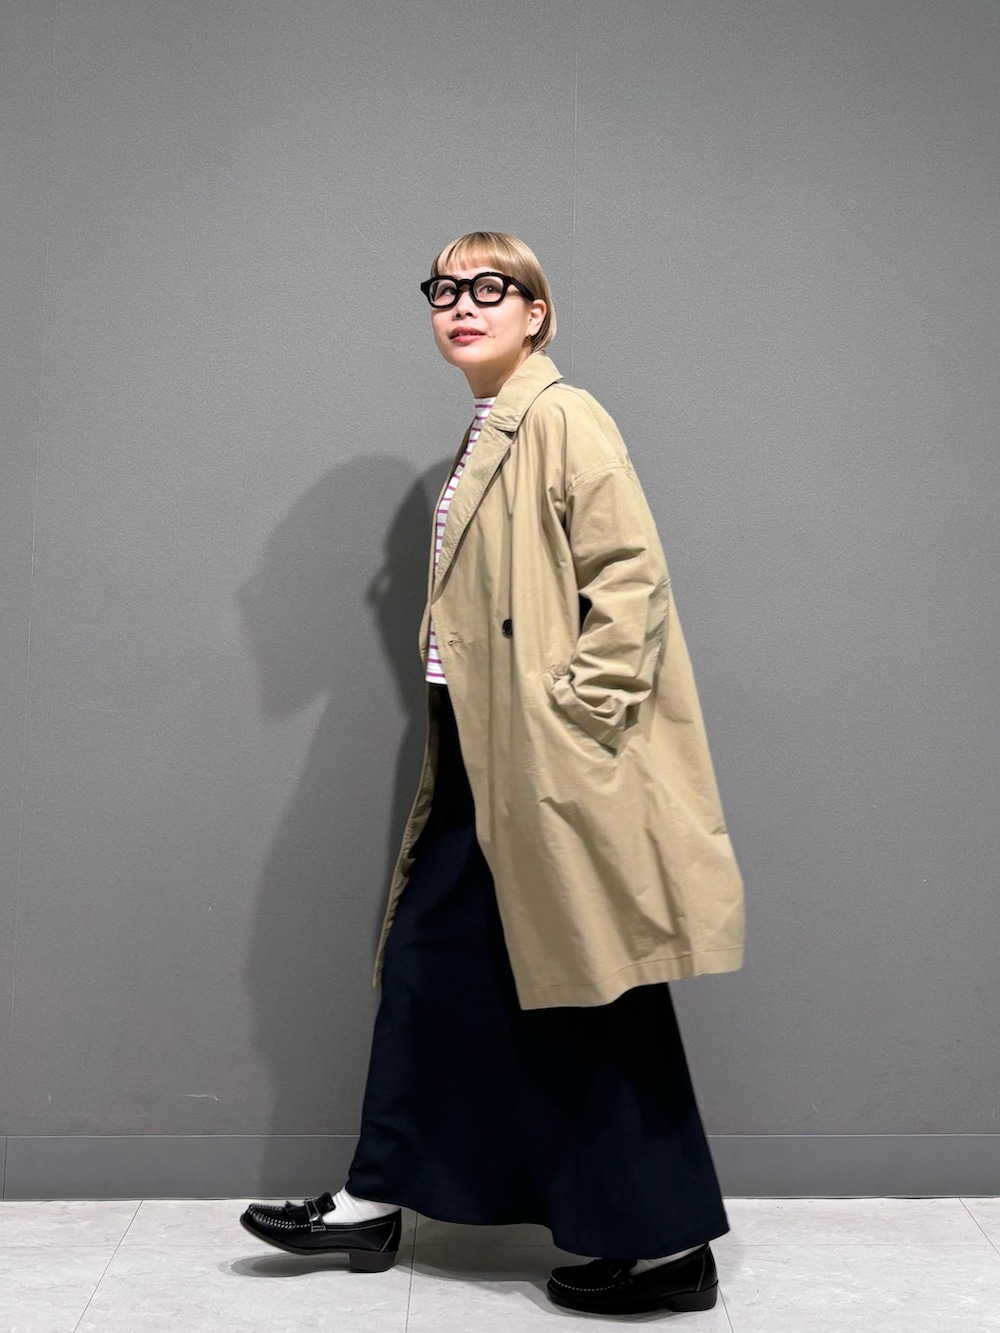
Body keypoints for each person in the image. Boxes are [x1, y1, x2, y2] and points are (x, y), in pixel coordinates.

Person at [241, 231, 745, 1317]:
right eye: (445, 289)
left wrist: (572, 716)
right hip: (486, 758)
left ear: (536, 313)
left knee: (594, 991)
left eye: (489, 287)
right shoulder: (492, 428)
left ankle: (668, 1246)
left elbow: (630, 576)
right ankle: (377, 1197)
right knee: (443, 968)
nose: (461, 304)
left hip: (543, 762)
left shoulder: (562, 416)